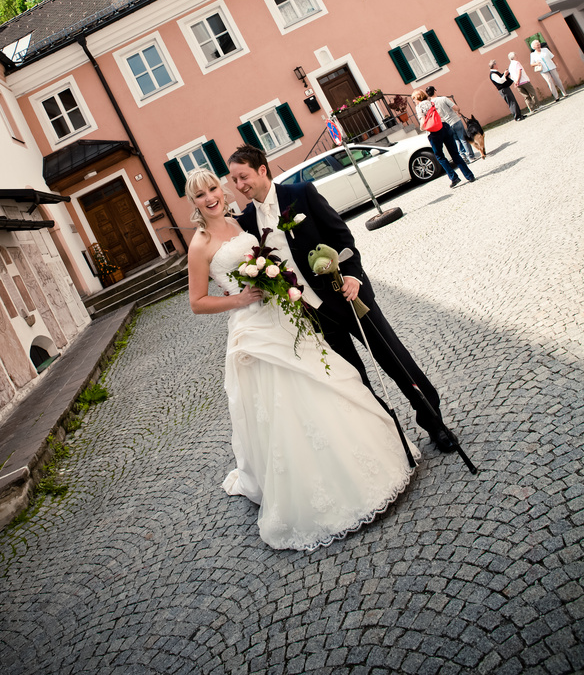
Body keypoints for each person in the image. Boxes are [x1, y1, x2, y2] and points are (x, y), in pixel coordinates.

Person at [186, 167, 419, 551]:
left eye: (213, 188)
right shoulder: (201, 243)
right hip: (254, 328)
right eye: (200, 195)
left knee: (334, 379)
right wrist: (239, 299)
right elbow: (197, 302)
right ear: (193, 203)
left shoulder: (240, 221)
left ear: (222, 188)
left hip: (288, 315)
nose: (210, 197)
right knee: (285, 404)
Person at [227, 144, 456, 452]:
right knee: (353, 380)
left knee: (396, 361)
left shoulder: (301, 193)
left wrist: (352, 275)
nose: (240, 186)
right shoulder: (246, 223)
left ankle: (435, 423)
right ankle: (389, 436)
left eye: (243, 177)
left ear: (262, 170)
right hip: (313, 314)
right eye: (234, 181)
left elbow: (341, 236)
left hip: (348, 296)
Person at [411, 88, 476, 186]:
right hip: (444, 126)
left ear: (417, 98)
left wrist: (421, 128)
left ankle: (454, 177)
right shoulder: (432, 102)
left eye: (414, 99)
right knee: (455, 154)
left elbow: (423, 122)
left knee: (440, 156)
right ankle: (469, 175)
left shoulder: (419, 107)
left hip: (433, 132)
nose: (414, 101)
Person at [424, 84, 477, 162]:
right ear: (435, 91)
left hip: (445, 124)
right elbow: (456, 107)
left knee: (456, 140)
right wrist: (458, 111)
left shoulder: (430, 104)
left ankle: (462, 156)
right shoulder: (443, 99)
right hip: (454, 120)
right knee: (463, 138)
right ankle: (471, 156)